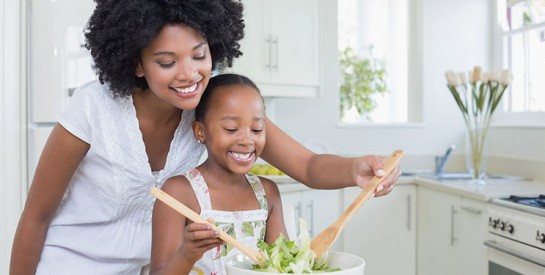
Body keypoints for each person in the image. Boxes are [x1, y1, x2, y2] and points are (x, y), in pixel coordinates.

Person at [10, 0, 400, 274]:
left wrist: (357, 169)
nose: (189, 74)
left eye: (199, 55)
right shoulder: (93, 108)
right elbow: (36, 217)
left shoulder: (212, 107)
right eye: (167, 62)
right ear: (137, 64)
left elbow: (309, 166)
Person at [150, 73, 288, 274]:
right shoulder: (178, 193)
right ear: (200, 131)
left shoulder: (267, 193)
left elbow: (284, 266)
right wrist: (187, 254)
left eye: (257, 129)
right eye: (231, 129)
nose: (247, 140)